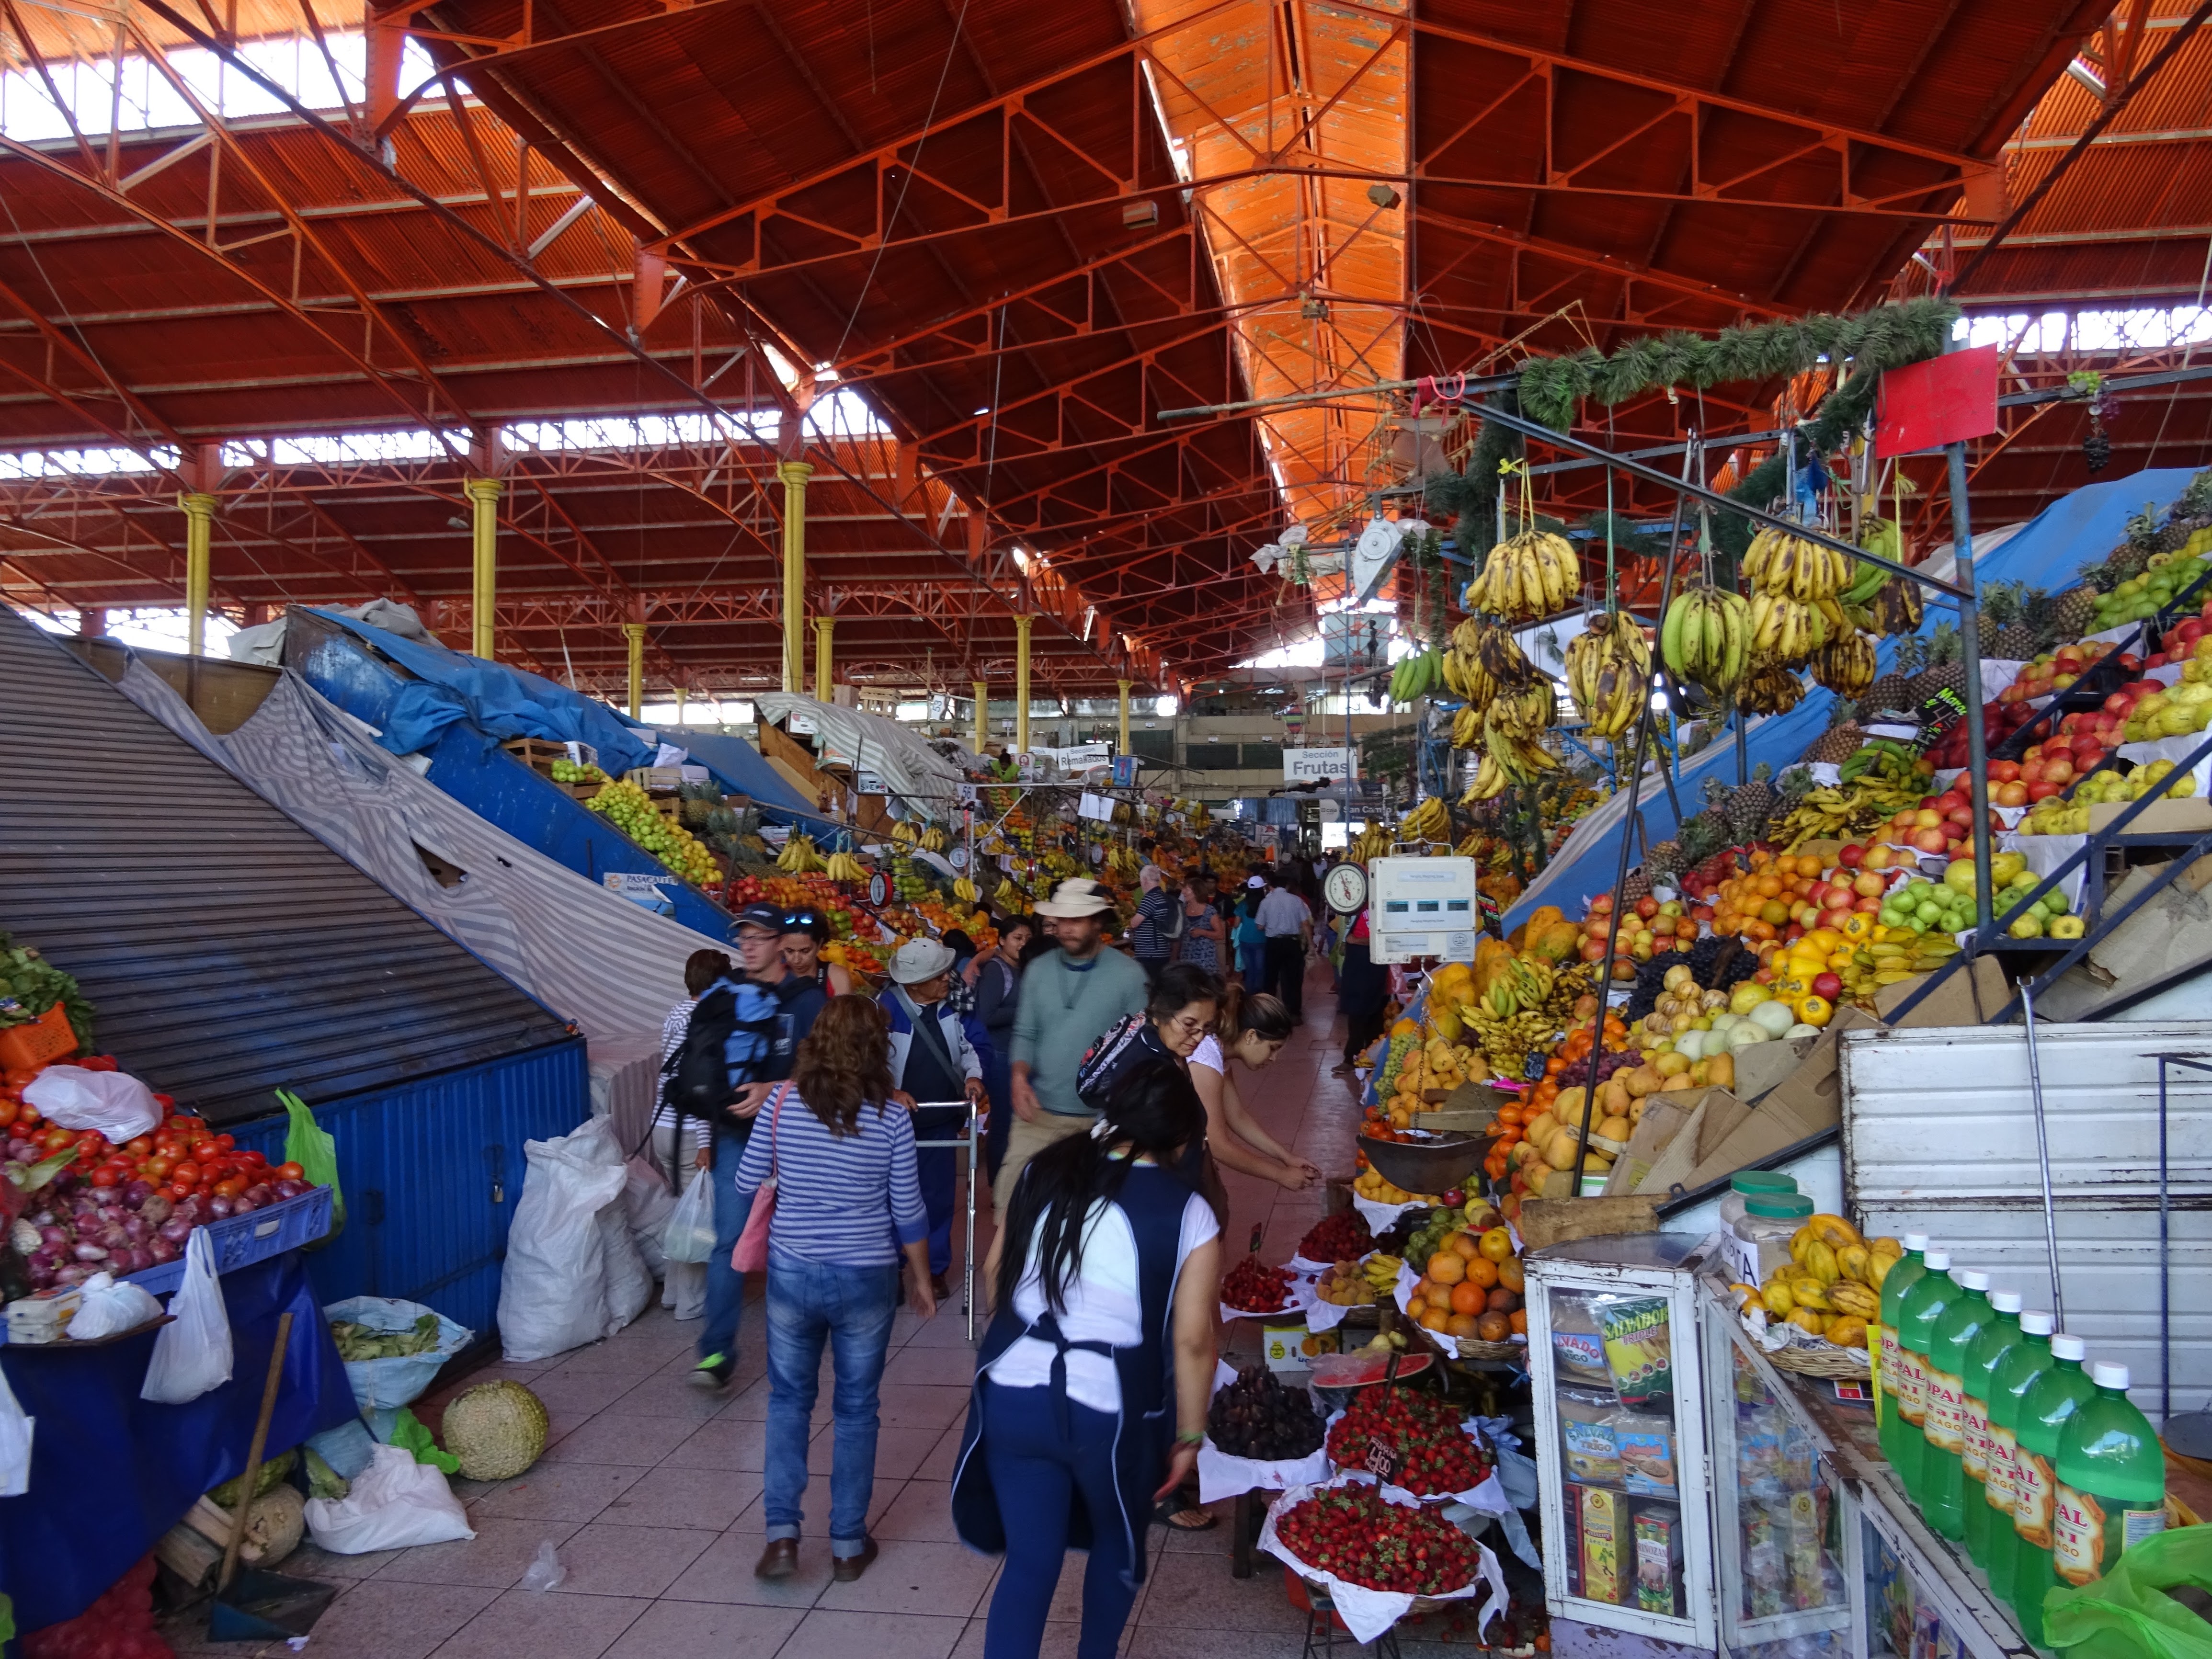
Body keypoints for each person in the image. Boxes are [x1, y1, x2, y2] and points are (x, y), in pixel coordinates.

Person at [953, 1060, 1221, 1659]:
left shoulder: (1044, 1169)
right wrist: (1189, 1433)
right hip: (1107, 1415)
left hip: (1011, 1395)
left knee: (1029, 1562)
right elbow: (1194, 1341)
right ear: (1181, 1136)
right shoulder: (1188, 1210)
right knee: (1116, 1548)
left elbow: (996, 1279)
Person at [736, 996, 933, 1585]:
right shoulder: (892, 1116)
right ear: (879, 1048)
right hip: (867, 1275)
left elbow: (748, 1180)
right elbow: (908, 1209)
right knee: (855, 1409)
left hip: (793, 1271)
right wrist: (922, 1279)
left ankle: (780, 1538)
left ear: (814, 1042)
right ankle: (848, 1543)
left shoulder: (779, 1106)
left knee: (788, 1401)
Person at [676, 903, 829, 1390]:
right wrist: (707, 1135)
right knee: (728, 1242)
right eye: (743, 936)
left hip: (797, 1140)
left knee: (795, 1244)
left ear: (781, 943)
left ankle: (799, 1340)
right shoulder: (728, 993)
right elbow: (701, 1072)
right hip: (738, 1136)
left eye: (759, 936)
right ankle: (717, 1351)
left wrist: (772, 1089)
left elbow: (826, 1069)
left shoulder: (807, 1001)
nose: (748, 944)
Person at [1001, 878, 1149, 1220]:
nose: (1066, 928)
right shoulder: (1038, 970)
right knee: (1013, 1210)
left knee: (1092, 1221)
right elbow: (1025, 1032)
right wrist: (1019, 1076)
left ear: (1098, 922)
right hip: (1038, 1116)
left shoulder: (1128, 975)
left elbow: (1139, 1046)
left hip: (1103, 1125)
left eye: (1076, 920)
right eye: (1061, 920)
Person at [878, 938, 986, 1302]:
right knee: (890, 1198)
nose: (947, 979)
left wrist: (974, 1077)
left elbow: (972, 1048)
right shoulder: (886, 1010)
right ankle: (890, 1267)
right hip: (893, 1124)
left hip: (940, 1118)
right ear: (914, 984)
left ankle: (936, 1268)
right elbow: (868, 1059)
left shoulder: (955, 1007)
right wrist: (889, 1091)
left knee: (937, 1198)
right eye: (938, 975)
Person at [652, 948, 733, 1321]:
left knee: (681, 1212)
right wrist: (705, 1142)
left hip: (662, 1128)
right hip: (689, 1134)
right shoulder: (707, 1023)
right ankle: (691, 1301)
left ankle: (671, 1292)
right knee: (698, 1221)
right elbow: (703, 1089)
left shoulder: (675, 1014)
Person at [1189, 986, 1321, 1190]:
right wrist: (1279, 1175)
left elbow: (1237, 1116)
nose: (1274, 1059)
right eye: (1273, 1048)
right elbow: (1217, 1144)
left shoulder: (1218, 1052)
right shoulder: (1206, 1058)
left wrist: (1286, 1158)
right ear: (1251, 1036)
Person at [973, 916, 1032, 1180]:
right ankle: (998, 1185)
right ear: (1002, 941)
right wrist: (1025, 1011)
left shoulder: (1024, 969)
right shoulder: (997, 971)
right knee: (1003, 1122)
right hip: (999, 1055)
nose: (1023, 944)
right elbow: (986, 1015)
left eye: (1027, 939)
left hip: (1015, 1054)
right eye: (1018, 938)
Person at [1336, 906, 1390, 1075]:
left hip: (1370, 971)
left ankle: (1356, 1058)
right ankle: (1366, 1057)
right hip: (1358, 971)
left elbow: (1384, 937)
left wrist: (1355, 941)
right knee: (1364, 1014)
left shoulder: (1380, 909)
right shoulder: (1359, 911)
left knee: (1366, 1015)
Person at [1256, 867, 1314, 1020]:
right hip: (1292, 943)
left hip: (1273, 944)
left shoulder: (1266, 902)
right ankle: (1294, 1012)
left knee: (1271, 978)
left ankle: (1270, 1012)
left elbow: (1260, 926)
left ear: (1271, 887)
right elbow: (1305, 924)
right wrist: (1311, 945)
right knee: (1293, 979)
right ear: (1286, 886)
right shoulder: (1297, 900)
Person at [781, 909, 855, 997]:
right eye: (790, 951)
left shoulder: (837, 977)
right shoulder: (774, 973)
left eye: (805, 951)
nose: (796, 960)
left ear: (820, 944)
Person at [1128, 864, 1179, 985]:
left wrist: (1131, 922)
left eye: (1141, 881)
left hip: (1150, 954)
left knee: (1149, 987)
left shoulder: (1150, 899)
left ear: (1145, 880)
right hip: (1163, 951)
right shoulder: (1163, 897)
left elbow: (1135, 923)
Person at [1176, 872, 1224, 977]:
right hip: (1187, 958)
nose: (1183, 892)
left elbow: (1220, 935)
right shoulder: (1182, 910)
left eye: (1187, 890)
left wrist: (1203, 932)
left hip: (1205, 958)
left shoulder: (1209, 911)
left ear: (1196, 892)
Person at [1232, 875, 1267, 989]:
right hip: (1262, 940)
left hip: (1245, 940)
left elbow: (1236, 925)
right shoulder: (1265, 904)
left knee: (1249, 969)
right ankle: (1259, 996)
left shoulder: (1242, 904)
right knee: (1260, 970)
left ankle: (1250, 995)